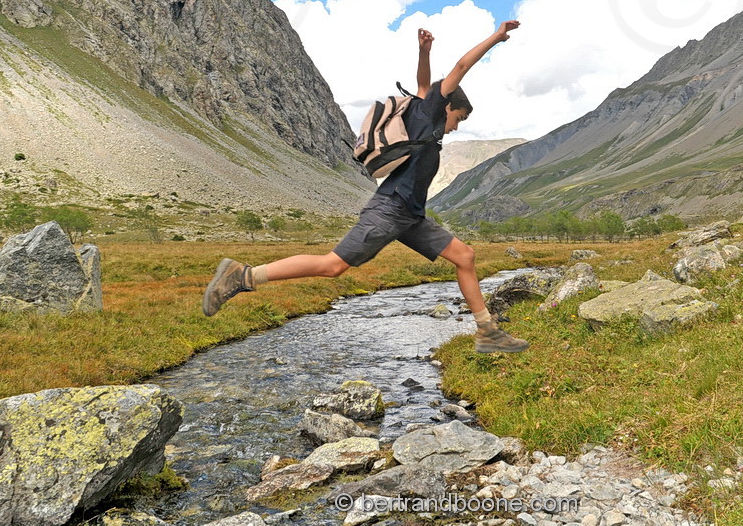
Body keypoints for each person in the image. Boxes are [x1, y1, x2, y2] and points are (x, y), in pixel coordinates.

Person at [202, 20, 528, 354]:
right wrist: (495, 38)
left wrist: (423, 52)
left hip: (410, 216)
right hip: (390, 209)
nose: (456, 127)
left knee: (465, 256)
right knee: (333, 266)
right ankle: (243, 276)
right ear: (445, 106)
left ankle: (487, 332)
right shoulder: (428, 112)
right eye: (458, 118)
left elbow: (421, 83)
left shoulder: (421, 113)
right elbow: (459, 67)